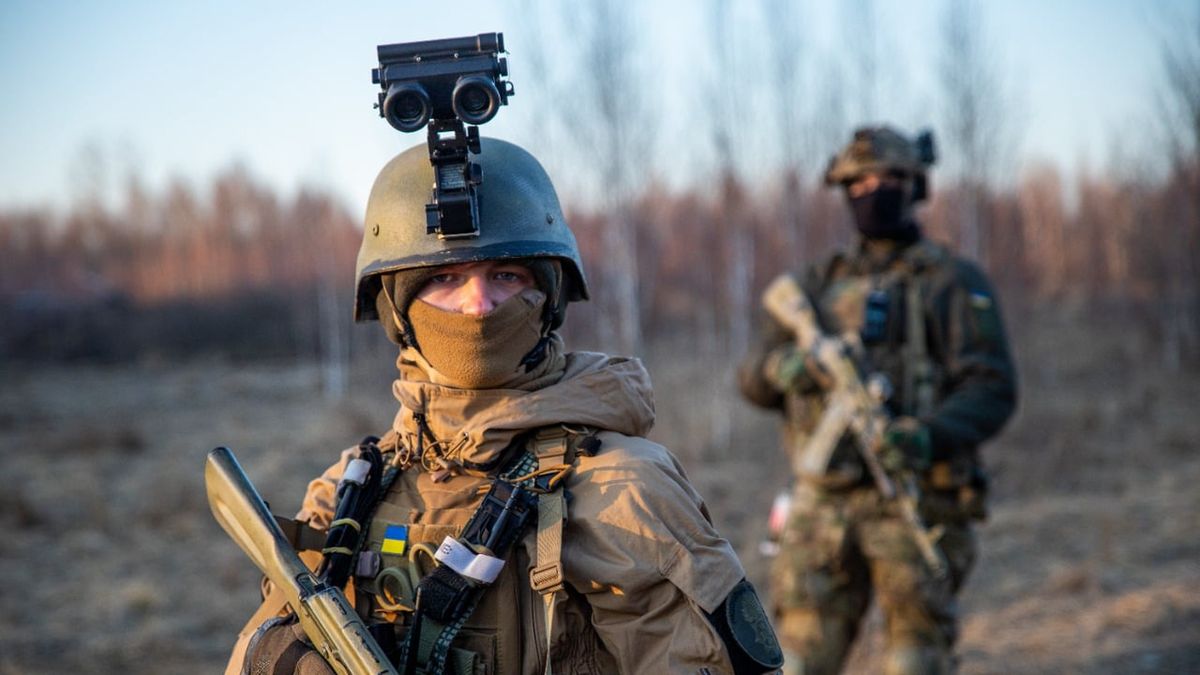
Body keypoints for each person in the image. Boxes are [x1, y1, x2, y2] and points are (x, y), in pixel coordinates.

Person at [226, 137, 783, 675]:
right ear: (398, 311)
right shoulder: (351, 486)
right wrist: (267, 655)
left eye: (506, 275)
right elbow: (263, 639)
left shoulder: (624, 489)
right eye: (444, 277)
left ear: (549, 297)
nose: (479, 305)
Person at [738, 126, 1017, 675]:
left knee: (916, 659)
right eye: (858, 181)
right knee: (795, 660)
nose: (872, 190)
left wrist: (927, 436)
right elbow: (752, 379)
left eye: (887, 178)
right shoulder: (815, 284)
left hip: (916, 497)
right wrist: (787, 368)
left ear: (914, 186)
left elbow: (991, 386)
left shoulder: (951, 282)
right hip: (823, 509)